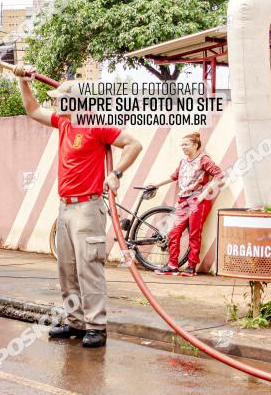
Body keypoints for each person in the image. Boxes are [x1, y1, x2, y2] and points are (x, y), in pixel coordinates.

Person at [18, 72, 143, 348]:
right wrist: (24, 81)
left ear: (73, 102)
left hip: (88, 207)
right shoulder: (63, 123)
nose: (56, 104)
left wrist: (117, 173)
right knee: (68, 267)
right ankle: (75, 322)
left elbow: (134, 144)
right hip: (65, 207)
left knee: (89, 268)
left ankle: (96, 326)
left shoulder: (96, 125)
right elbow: (33, 110)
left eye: (60, 100)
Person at [150, 132, 223, 277]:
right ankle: (172, 266)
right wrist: (156, 185)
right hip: (183, 201)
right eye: (182, 144)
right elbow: (174, 177)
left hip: (198, 201)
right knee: (173, 232)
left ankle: (191, 267)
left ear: (195, 145)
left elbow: (219, 174)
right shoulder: (183, 161)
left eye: (186, 144)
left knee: (194, 234)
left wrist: (205, 193)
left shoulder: (204, 159)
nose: (182, 147)